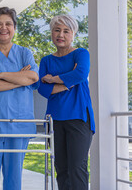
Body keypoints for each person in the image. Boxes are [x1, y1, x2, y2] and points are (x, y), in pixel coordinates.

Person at [0, 7, 39, 190]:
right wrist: (19, 79)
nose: (4, 28)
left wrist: (0, 75)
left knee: (14, 176)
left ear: (14, 27)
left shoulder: (24, 53)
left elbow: (33, 77)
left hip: (19, 123)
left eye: (8, 23)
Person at [37, 15, 94, 190]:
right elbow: (42, 88)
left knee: (77, 168)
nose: (60, 34)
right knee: (61, 169)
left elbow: (81, 74)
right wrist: (68, 82)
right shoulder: (47, 60)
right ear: (52, 33)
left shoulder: (80, 53)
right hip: (54, 120)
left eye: (66, 31)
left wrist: (54, 79)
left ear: (73, 34)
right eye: (57, 30)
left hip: (78, 118)